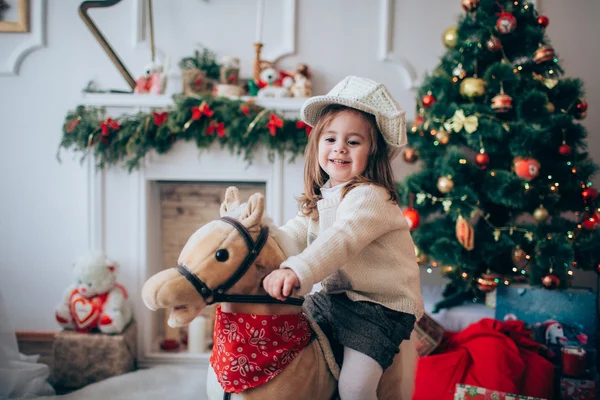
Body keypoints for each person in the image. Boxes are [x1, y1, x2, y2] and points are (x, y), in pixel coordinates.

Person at [262, 76, 424, 400]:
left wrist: (296, 271)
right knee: (293, 343)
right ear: (317, 144)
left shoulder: (370, 197)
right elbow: (292, 234)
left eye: (353, 142)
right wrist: (259, 243)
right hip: (336, 298)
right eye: (330, 138)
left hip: (380, 307)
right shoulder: (323, 198)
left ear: (373, 152)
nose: (339, 148)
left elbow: (340, 239)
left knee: (354, 388)